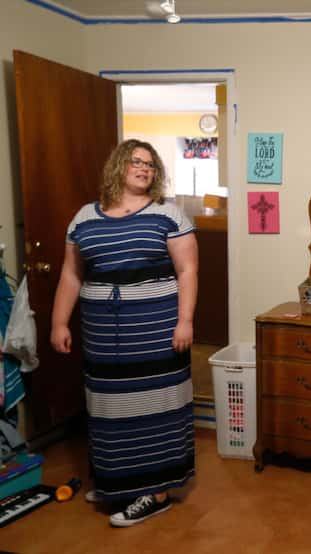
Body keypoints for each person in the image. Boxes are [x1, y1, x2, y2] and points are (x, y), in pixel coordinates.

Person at [50, 139, 198, 527]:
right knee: (108, 411)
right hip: (104, 339)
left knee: (158, 409)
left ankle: (157, 492)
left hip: (157, 334)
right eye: (135, 161)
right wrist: (58, 322)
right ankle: (119, 483)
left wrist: (185, 320)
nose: (144, 168)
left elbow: (188, 272)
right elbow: (71, 273)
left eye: (150, 164)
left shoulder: (169, 215)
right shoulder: (84, 218)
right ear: (117, 166)